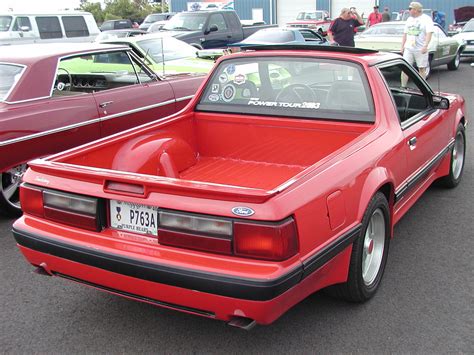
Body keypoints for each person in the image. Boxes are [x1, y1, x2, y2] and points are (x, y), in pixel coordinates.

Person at [401, 1, 434, 83]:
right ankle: (403, 86)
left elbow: (429, 33)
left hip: (420, 48)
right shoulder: (409, 19)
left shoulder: (426, 19)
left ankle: (422, 88)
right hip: (409, 47)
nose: (409, 11)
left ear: (416, 10)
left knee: (421, 68)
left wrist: (425, 45)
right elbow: (405, 34)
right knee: (405, 68)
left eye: (410, 9)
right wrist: (402, 46)